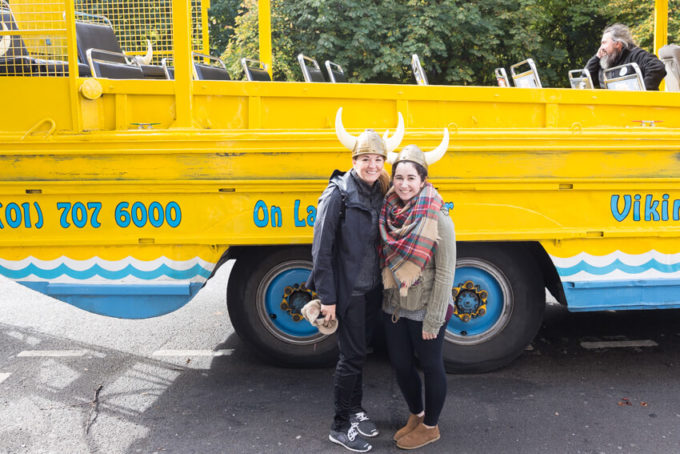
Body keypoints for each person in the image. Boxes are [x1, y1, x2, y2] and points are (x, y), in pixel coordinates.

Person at [306, 107, 404, 453]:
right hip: (346, 293)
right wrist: (328, 297)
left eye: (378, 159)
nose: (373, 165)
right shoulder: (338, 194)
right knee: (350, 358)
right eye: (366, 158)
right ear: (354, 159)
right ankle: (339, 424)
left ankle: (356, 409)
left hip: (370, 290)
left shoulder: (379, 190)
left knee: (360, 353)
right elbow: (322, 251)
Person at [379, 131, 455, 450]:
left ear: (423, 180)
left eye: (411, 178)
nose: (404, 184)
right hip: (394, 307)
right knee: (400, 364)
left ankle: (431, 426)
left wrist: (434, 319)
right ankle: (416, 414)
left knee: (432, 366)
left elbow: (446, 272)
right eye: (399, 177)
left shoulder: (438, 217)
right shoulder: (389, 212)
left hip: (425, 309)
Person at [585, 23, 666, 90]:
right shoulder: (605, 62)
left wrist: (642, 93)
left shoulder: (635, 55)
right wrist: (597, 57)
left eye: (604, 43)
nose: (601, 47)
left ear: (617, 44)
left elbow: (657, 67)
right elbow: (584, 82)